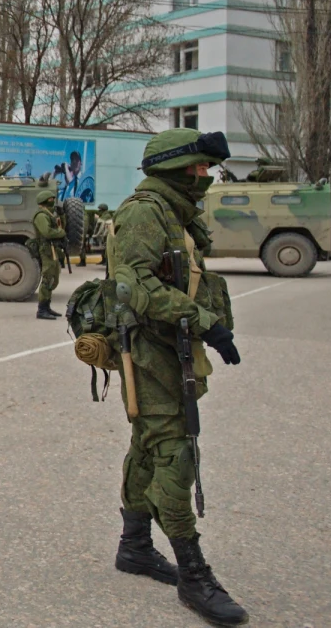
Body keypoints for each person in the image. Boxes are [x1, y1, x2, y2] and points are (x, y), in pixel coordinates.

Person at [108, 128, 248, 626]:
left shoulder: (174, 212)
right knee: (174, 451)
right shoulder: (146, 212)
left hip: (169, 348)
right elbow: (135, 283)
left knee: (149, 444)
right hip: (150, 353)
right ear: (180, 168)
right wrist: (205, 322)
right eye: (202, 168)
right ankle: (194, 574)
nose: (207, 177)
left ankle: (135, 546)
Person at [32, 190, 64, 320]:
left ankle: (47, 306)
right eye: (50, 199)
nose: (53, 202)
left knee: (53, 278)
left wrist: (63, 216)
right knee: (47, 278)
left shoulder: (49, 214)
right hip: (46, 249)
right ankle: (42, 309)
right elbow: (47, 232)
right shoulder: (41, 215)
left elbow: (60, 226)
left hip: (53, 249)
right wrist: (61, 233)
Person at [95, 203, 114, 269]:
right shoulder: (103, 215)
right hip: (104, 234)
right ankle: (103, 259)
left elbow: (102, 223)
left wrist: (97, 218)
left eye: (100, 210)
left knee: (106, 248)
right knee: (103, 248)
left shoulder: (106, 215)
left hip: (107, 234)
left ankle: (106, 261)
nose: (99, 211)